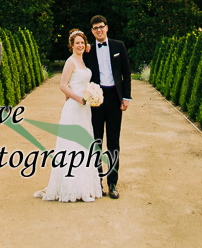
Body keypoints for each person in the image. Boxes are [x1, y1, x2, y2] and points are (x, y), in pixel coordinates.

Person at [34, 29, 103, 203]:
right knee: (71, 146)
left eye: (82, 42)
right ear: (71, 45)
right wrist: (78, 97)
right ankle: (70, 188)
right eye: (76, 43)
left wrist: (92, 95)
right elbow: (63, 86)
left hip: (85, 109)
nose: (80, 45)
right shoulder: (70, 62)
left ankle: (84, 187)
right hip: (74, 107)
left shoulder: (83, 60)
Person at [83, 14, 131, 199]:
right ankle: (97, 182)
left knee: (113, 142)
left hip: (114, 99)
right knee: (96, 142)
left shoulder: (119, 46)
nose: (99, 30)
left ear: (107, 27)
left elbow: (126, 73)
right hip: (96, 99)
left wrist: (126, 97)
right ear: (92, 31)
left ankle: (113, 183)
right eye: (95, 28)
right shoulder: (88, 51)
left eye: (101, 27)